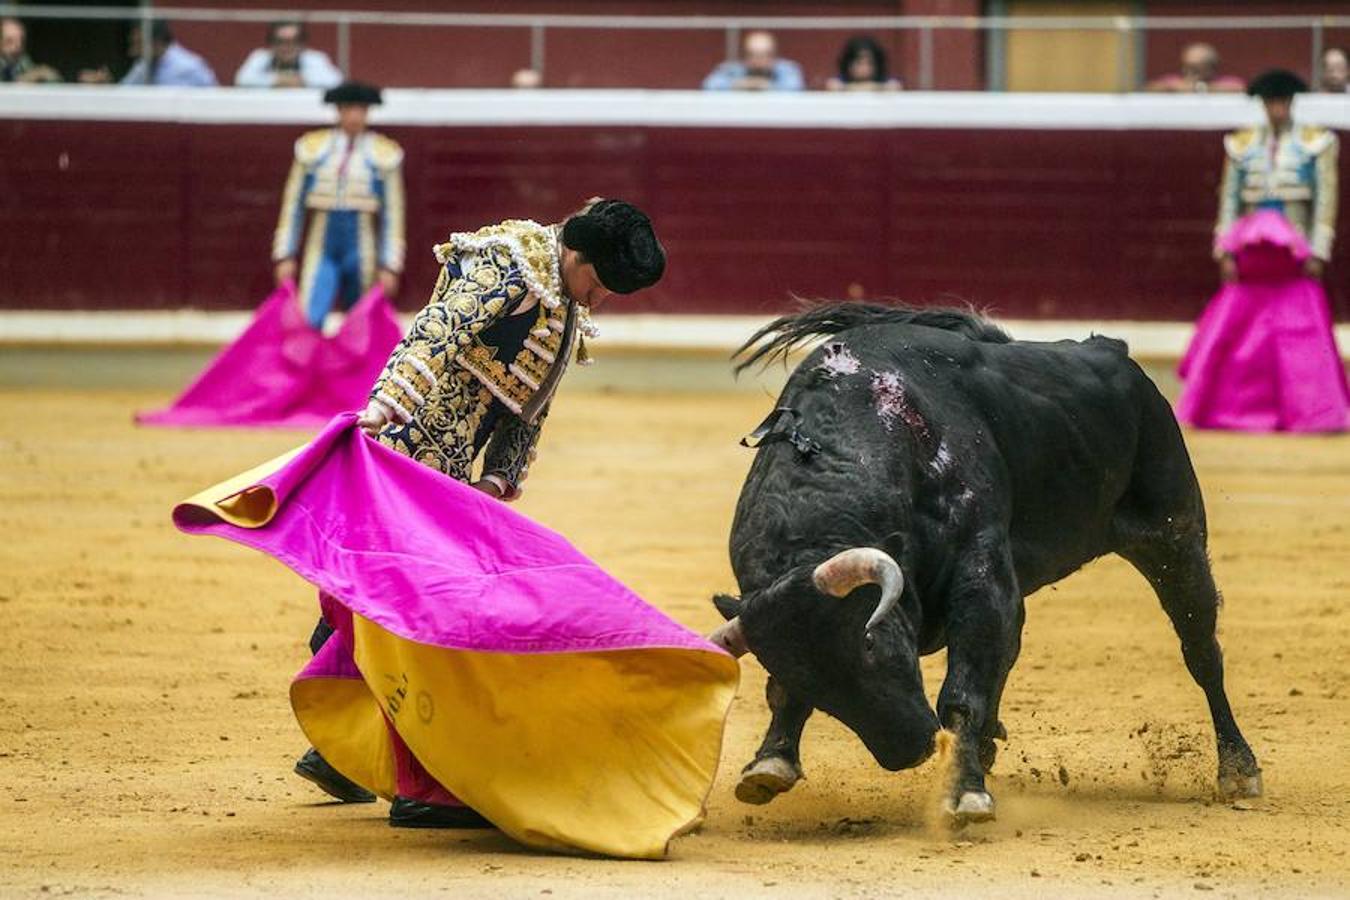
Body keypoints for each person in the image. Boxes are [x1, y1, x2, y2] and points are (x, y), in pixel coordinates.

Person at [282, 200, 670, 828]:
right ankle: (416, 788)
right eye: (597, 283)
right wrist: (381, 413)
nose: (598, 299)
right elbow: (436, 335)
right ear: (577, 256)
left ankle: (342, 754)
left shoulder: (561, 297)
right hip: (405, 454)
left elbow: (532, 403)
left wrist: (497, 477)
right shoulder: (510, 268)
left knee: (389, 609)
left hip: (450, 473)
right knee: (415, 615)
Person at [1177, 69, 1348, 433]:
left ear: (1291, 103)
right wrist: (1224, 248)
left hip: (1294, 252)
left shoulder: (1319, 142)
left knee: (1298, 331)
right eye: (1271, 103)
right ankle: (1234, 409)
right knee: (1241, 328)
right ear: (1263, 105)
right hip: (1251, 251)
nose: (1277, 110)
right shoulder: (1241, 144)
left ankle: (1310, 410)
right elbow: (1230, 200)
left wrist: (1318, 251)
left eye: (1282, 102)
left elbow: (1325, 201)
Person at [272, 80, 405, 331]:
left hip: (362, 244)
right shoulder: (312, 148)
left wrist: (390, 264)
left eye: (360, 110)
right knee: (310, 319)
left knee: (361, 324)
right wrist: (285, 253)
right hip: (321, 242)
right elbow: (293, 205)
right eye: (348, 109)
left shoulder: (384, 153)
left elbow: (393, 214)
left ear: (367, 113)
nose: (354, 116)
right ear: (338, 111)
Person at [79, 20, 216, 86]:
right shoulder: (143, 66)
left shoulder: (186, 69)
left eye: (138, 43)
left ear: (156, 43)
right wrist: (105, 86)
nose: (132, 51)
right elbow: (126, 96)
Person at [234, 20, 342, 89]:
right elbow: (242, 79)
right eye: (280, 42)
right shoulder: (259, 57)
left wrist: (303, 80)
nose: (286, 47)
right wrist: (277, 80)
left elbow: (336, 81)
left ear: (302, 45)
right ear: (271, 44)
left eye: (293, 42)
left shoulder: (315, 58)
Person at [702, 30, 804, 92]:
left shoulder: (787, 69)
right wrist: (737, 85)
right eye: (753, 55)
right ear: (745, 56)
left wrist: (767, 86)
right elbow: (710, 85)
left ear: (774, 56)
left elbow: (795, 86)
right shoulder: (731, 70)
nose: (758, 61)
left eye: (764, 55)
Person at [1146, 42, 1244, 94]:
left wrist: (1200, 88)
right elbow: (1151, 88)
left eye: (1196, 67)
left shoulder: (1226, 81)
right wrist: (1174, 88)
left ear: (1211, 67)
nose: (1189, 71)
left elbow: (1240, 89)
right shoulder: (1174, 80)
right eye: (1186, 66)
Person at [825, 35, 901, 92]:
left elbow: (895, 86)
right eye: (859, 63)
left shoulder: (883, 80)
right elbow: (832, 85)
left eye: (869, 64)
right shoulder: (842, 80)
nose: (864, 68)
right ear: (848, 64)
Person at [1, 17, 61, 83]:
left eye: (21, 41)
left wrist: (40, 74)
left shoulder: (22, 60)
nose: (17, 47)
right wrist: (26, 78)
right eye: (10, 41)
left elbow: (54, 78)